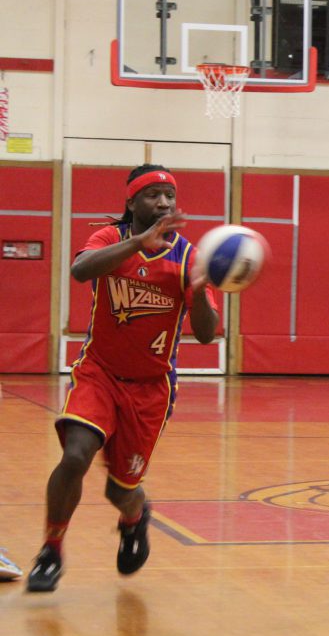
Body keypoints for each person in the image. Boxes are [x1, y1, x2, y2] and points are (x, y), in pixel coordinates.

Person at [26, 165, 218, 592]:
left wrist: (202, 290)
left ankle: (134, 517)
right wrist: (136, 243)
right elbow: (81, 270)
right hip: (99, 372)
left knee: (121, 491)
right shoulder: (110, 238)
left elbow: (207, 334)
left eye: (169, 195)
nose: (164, 202)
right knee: (75, 455)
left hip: (150, 388)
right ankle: (51, 550)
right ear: (131, 202)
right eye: (153, 194)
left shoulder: (187, 256)